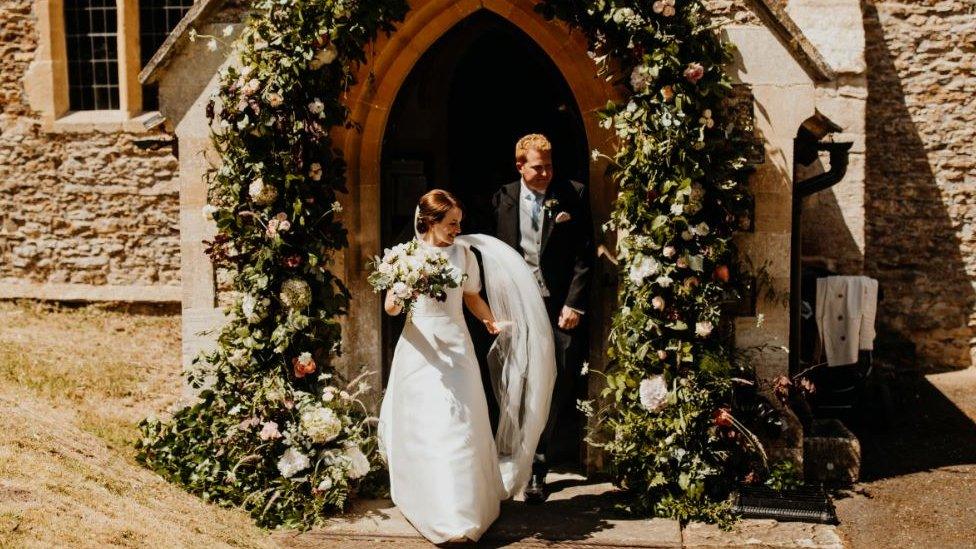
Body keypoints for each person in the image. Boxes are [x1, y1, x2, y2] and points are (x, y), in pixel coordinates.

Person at [378, 189, 555, 544]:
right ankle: (429, 501)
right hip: (419, 349)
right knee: (423, 424)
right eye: (451, 223)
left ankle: (460, 512)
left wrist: (490, 322)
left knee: (458, 424)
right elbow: (390, 310)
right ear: (430, 221)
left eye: (460, 222)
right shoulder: (405, 256)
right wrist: (399, 293)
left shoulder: (464, 255)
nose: (458, 229)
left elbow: (472, 296)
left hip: (456, 345)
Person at [490, 134, 593, 503]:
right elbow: (490, 256)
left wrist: (575, 304)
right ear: (520, 165)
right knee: (515, 378)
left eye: (549, 165)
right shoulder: (502, 197)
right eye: (537, 166)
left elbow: (585, 253)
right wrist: (499, 308)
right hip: (516, 307)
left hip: (558, 307)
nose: (546, 172)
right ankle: (512, 459)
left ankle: (539, 464)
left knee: (554, 382)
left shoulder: (573, 193)